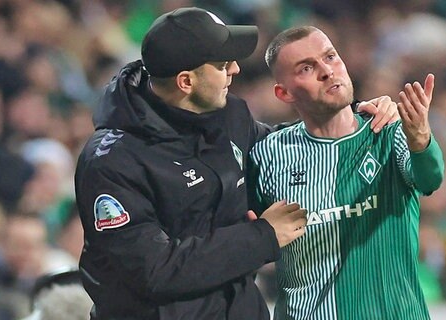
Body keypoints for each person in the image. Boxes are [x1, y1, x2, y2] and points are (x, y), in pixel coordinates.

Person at [74, 7, 398, 320]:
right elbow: (154, 271)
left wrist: (352, 116)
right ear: (186, 82)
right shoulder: (112, 161)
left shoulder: (229, 115)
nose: (235, 70)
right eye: (223, 64)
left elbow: (281, 147)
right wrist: (263, 236)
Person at [249, 26, 444, 319]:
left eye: (331, 57)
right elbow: (245, 244)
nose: (327, 71)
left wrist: (421, 140)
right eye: (306, 68)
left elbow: (430, 179)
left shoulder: (388, 132)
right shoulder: (268, 154)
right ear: (284, 93)